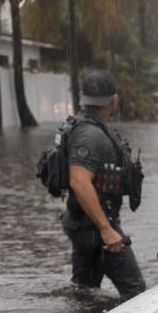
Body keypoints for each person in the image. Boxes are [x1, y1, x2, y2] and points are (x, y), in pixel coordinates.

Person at [62, 69, 146, 301]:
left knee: (86, 292)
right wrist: (106, 229)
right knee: (137, 295)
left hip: (81, 223)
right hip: (94, 227)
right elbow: (79, 181)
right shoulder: (90, 135)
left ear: (82, 97)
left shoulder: (86, 127)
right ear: (114, 100)